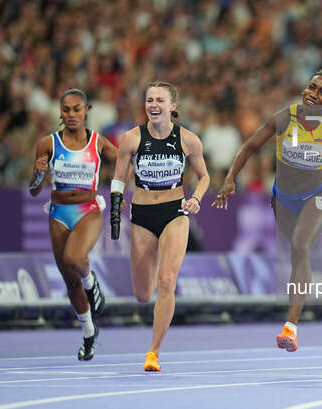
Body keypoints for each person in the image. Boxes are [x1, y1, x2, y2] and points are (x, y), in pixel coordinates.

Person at [213, 68, 322, 352]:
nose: (313, 94)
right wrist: (229, 180)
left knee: (300, 247)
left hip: (317, 195)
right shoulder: (286, 117)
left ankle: (290, 328)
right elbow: (249, 146)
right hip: (283, 197)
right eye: (311, 87)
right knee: (294, 244)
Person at [110, 81, 210, 371]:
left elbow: (204, 177)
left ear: (172, 106)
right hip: (142, 215)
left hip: (175, 212)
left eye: (160, 101)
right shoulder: (131, 139)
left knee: (167, 281)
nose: (153, 105)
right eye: (149, 100)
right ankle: (154, 265)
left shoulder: (188, 140)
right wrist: (117, 202)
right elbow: (119, 178)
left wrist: (196, 199)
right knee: (142, 294)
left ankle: (152, 352)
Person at [29, 88, 116, 361]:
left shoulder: (99, 143)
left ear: (87, 110)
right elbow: (33, 190)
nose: (71, 115)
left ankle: (92, 282)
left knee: (74, 258)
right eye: (66, 110)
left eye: (77, 109)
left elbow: (125, 161)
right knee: (69, 281)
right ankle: (89, 335)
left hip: (88, 209)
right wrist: (38, 175)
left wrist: (120, 193)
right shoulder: (47, 144)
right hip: (58, 213)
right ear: (60, 112)